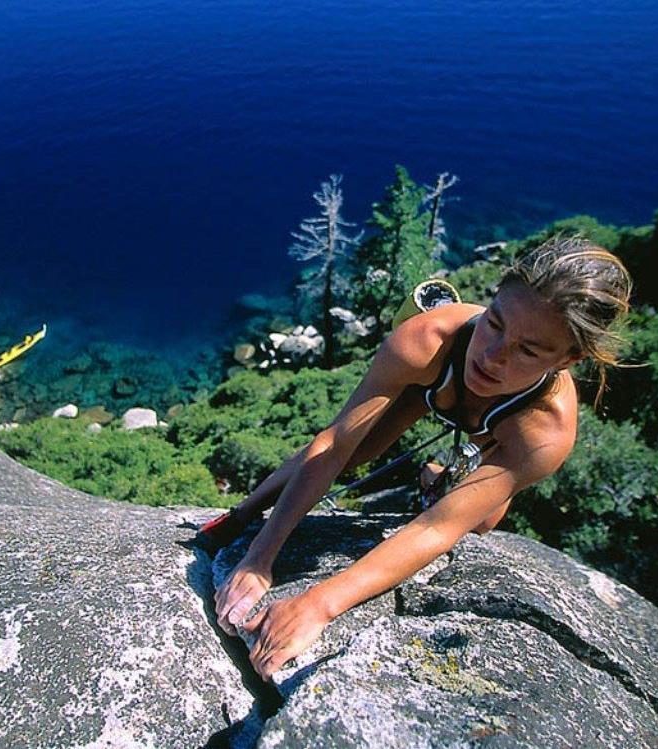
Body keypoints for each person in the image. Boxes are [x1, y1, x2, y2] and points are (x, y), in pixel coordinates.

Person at [204, 234, 633, 681]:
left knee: (481, 522)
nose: (491, 355)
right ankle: (243, 509)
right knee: (355, 449)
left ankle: (436, 477)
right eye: (495, 322)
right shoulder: (428, 339)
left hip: (501, 427)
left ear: (570, 358)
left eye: (527, 350)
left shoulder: (544, 431)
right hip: (432, 383)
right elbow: (332, 445)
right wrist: (257, 554)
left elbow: (437, 528)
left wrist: (317, 605)